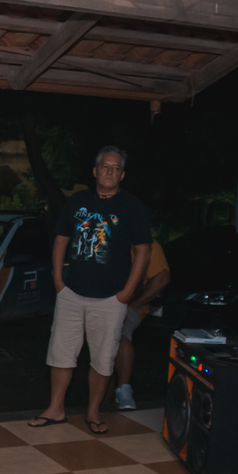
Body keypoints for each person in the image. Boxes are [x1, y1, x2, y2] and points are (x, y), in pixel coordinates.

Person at [28, 146, 151, 434]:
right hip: (71, 293)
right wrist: (59, 282)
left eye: (116, 168)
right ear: (95, 171)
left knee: (103, 358)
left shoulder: (132, 206)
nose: (110, 172)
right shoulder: (77, 201)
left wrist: (127, 292)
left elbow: (144, 251)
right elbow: (61, 240)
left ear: (122, 175)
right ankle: (55, 409)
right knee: (60, 353)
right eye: (105, 166)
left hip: (110, 298)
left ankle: (94, 412)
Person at [114, 239, 170, 411]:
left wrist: (134, 304)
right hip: (100, 303)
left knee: (120, 334)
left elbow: (162, 277)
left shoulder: (147, 243)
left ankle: (124, 389)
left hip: (129, 304)